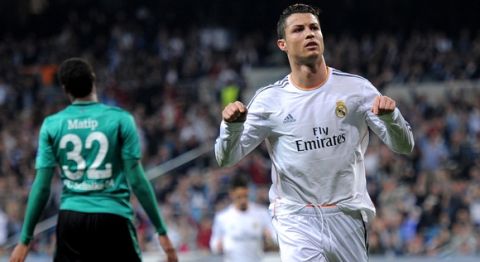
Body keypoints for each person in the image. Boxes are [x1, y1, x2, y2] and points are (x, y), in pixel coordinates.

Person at [214, 3, 414, 261]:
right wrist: (231, 128)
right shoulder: (269, 100)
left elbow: (404, 146)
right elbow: (225, 158)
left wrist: (392, 118)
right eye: (298, 29)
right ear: (282, 44)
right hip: (296, 217)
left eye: (314, 28)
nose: (309, 34)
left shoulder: (356, 89)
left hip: (347, 215)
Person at [9, 58, 178, 262]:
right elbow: (137, 180)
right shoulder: (120, 119)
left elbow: (41, 186)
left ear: (65, 89)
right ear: (93, 79)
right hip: (113, 216)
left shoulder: (52, 125)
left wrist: (25, 239)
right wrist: (161, 231)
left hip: (71, 219)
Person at [210, 174, 276, 262]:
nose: (243, 201)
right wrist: (217, 246)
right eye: (239, 197)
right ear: (231, 194)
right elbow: (213, 244)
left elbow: (275, 236)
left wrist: (270, 236)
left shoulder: (261, 213)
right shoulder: (222, 217)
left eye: (245, 196)